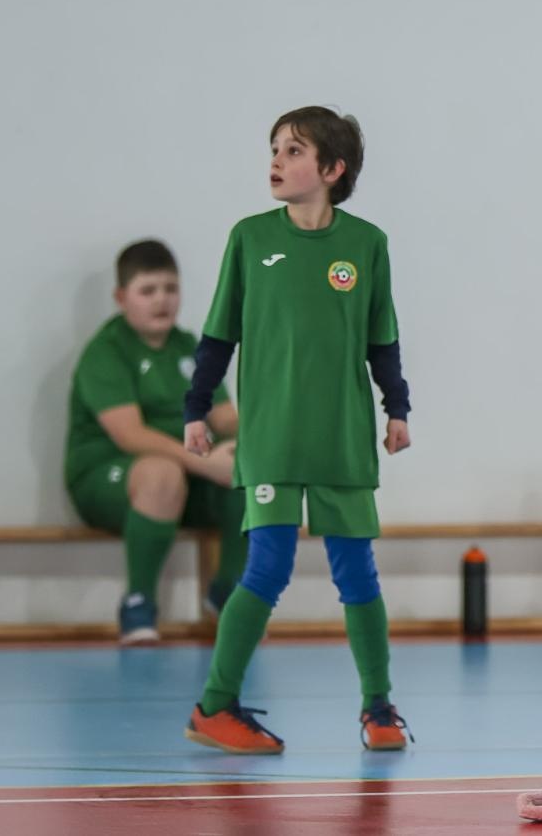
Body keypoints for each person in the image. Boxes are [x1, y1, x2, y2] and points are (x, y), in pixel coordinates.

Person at [180, 106, 414, 755]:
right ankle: (214, 707)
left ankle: (379, 708)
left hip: (341, 438)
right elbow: (218, 334)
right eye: (274, 148)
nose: (276, 161)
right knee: (267, 569)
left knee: (358, 575)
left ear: (332, 169)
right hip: (272, 440)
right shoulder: (250, 238)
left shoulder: (367, 244)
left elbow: (382, 340)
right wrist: (195, 410)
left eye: (292, 150)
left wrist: (398, 409)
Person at [64, 239, 245, 644]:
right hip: (107, 475)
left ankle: (230, 593)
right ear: (121, 297)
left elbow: (225, 417)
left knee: (249, 464)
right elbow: (130, 435)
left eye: (170, 289)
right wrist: (206, 463)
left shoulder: (189, 346)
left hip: (185, 475)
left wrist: (274, 435)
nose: (162, 300)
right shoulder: (106, 352)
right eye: (148, 291)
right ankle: (138, 604)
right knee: (163, 473)